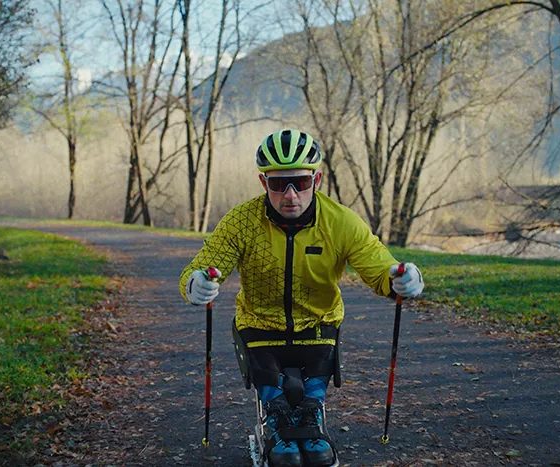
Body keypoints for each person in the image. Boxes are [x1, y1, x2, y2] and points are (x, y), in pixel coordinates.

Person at [179, 129, 425, 467]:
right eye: (279, 185)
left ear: (317, 178)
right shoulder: (241, 222)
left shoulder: (341, 222)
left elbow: (379, 266)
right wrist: (195, 285)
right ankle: (276, 419)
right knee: (270, 386)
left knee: (312, 392)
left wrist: (401, 279)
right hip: (259, 323)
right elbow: (204, 267)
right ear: (264, 182)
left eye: (301, 182)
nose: (291, 195)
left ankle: (311, 420)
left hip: (319, 322)